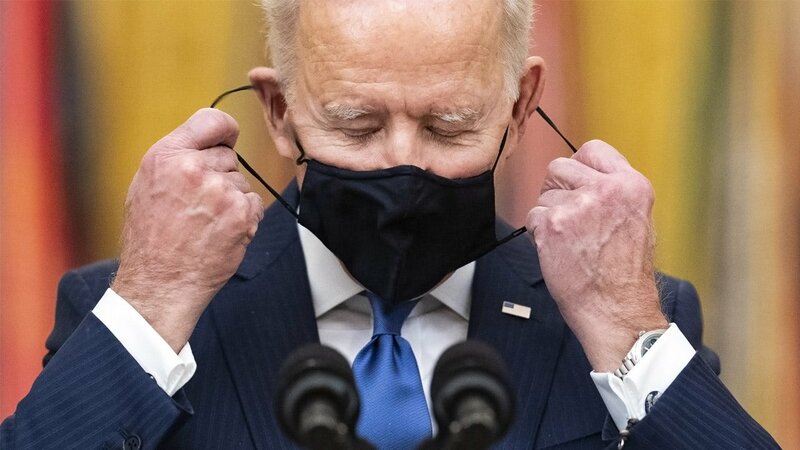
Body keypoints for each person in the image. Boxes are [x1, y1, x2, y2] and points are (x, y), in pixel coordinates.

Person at [1, 0, 778, 448]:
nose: (403, 165)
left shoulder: (630, 319)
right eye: (356, 124)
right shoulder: (139, 312)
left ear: (518, 106)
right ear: (279, 111)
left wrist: (628, 333)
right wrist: (151, 305)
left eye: (448, 125)